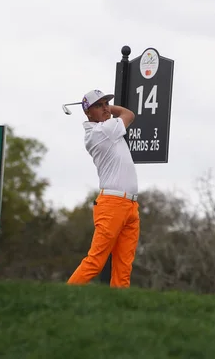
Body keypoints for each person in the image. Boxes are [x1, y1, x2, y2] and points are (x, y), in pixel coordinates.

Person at [67, 89, 140, 288]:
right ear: (88, 113)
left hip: (130, 205)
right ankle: (63, 296)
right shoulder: (101, 131)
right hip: (112, 205)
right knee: (95, 261)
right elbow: (129, 114)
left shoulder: (107, 127)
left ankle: (117, 311)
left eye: (106, 103)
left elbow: (120, 115)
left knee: (123, 267)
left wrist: (103, 108)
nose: (106, 108)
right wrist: (109, 110)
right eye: (99, 106)